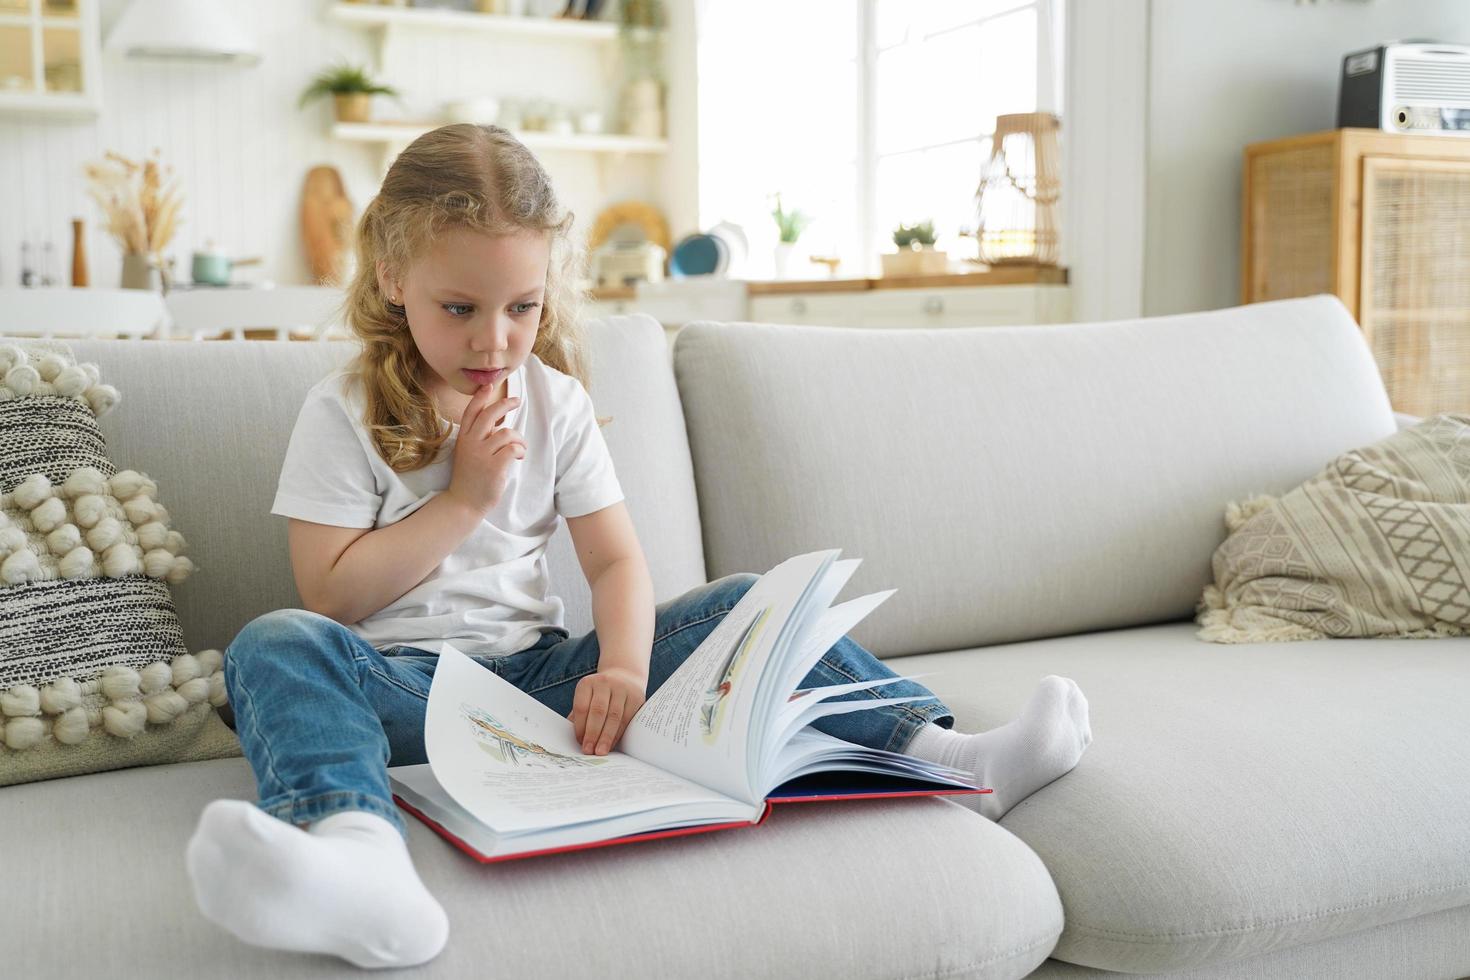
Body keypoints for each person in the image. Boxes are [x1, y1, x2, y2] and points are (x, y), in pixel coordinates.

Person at [183, 124, 1092, 970]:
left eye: (522, 307)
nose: (494, 339)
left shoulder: (555, 405)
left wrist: (620, 665)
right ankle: (359, 863)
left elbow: (615, 563)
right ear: (392, 279)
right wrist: (464, 500)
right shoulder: (345, 412)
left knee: (743, 601)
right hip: (399, 694)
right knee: (275, 643)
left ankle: (949, 759)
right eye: (459, 306)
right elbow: (330, 595)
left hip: (536, 690)